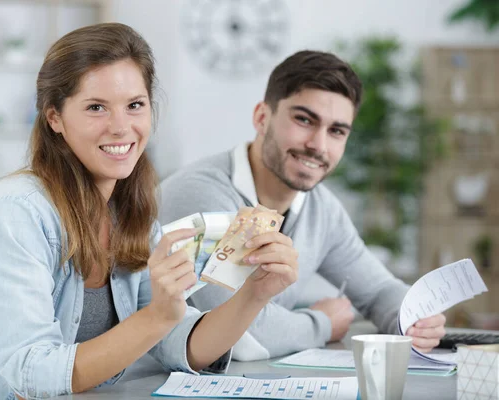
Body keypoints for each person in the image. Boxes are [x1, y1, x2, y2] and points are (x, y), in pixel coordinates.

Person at [0, 23, 299, 399]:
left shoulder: (128, 213)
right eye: (96, 107)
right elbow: (31, 372)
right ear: (54, 118)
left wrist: (255, 294)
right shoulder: (14, 214)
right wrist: (158, 316)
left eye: (135, 105)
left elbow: (175, 341)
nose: (121, 127)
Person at [159, 50, 446, 361]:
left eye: (336, 131)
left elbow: (377, 291)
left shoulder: (321, 208)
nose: (319, 145)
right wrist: (322, 324)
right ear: (261, 118)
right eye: (304, 120)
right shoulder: (203, 196)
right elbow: (238, 335)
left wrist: (415, 318)